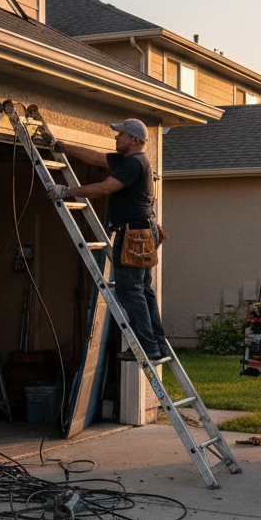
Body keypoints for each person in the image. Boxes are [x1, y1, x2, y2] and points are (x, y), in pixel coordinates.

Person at [46, 118, 169, 361]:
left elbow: (105, 188)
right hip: (142, 233)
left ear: (133, 140)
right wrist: (64, 148)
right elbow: (96, 158)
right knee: (143, 291)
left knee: (131, 292)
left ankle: (147, 347)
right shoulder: (127, 160)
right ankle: (158, 346)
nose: (116, 138)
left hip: (133, 235)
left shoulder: (134, 163)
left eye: (120, 135)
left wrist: (68, 191)